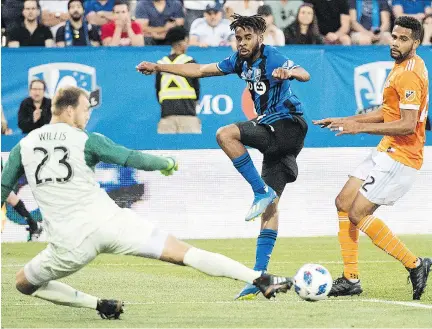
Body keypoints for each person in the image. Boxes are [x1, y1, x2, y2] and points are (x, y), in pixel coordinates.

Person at [1, 86, 293, 319]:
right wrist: (164, 161)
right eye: (85, 109)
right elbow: (129, 157)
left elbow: (3, 186)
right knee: (184, 253)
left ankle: (97, 305)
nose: (88, 115)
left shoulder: (22, 146)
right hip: (111, 224)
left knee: (24, 283)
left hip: (68, 245)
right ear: (67, 110)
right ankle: (260, 278)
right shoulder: (85, 139)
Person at [137, 14, 310, 300]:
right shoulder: (238, 61)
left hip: (287, 125)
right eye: (238, 38)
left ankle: (259, 191)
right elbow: (200, 71)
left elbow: (305, 73)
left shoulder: (274, 57)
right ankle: (259, 278)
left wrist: (290, 73)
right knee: (270, 210)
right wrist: (158, 66)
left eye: (247, 38)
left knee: (225, 134)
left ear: (260, 38)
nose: (242, 43)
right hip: (275, 137)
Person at [313, 16, 431, 301]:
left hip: (402, 155)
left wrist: (360, 127)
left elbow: (407, 124)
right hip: (387, 148)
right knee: (343, 202)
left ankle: (415, 264)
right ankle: (351, 279)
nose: (395, 42)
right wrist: (346, 120)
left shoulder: (410, 74)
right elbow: (386, 113)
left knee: (358, 213)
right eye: (394, 36)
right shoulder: (401, 66)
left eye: (403, 39)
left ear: (416, 42)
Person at [156, 27, 201, 134]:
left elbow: (158, 90)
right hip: (188, 114)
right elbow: (197, 88)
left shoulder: (161, 64)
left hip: (167, 115)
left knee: (165, 150)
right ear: (183, 42)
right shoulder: (190, 61)